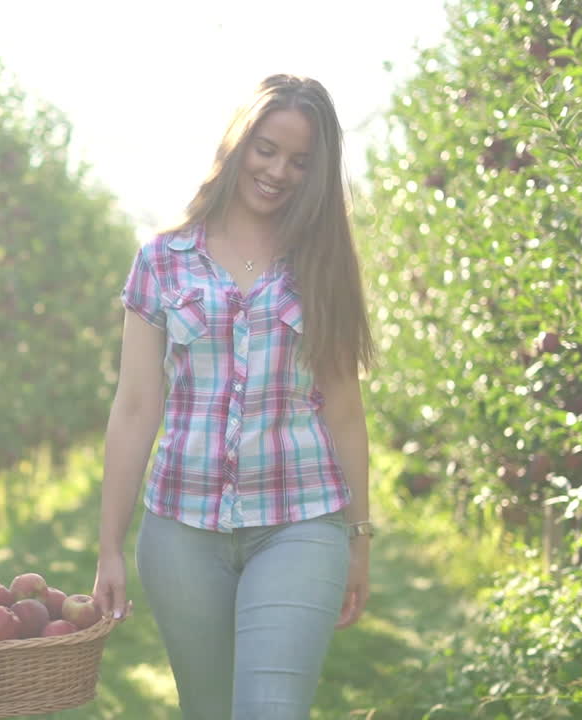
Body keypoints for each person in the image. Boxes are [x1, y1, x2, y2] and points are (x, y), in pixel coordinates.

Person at [92, 74, 376, 720]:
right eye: (267, 149)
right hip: (182, 532)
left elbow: (346, 411)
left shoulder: (322, 262)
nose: (279, 171)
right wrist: (109, 545)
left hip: (299, 522)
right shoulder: (163, 260)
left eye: (302, 162)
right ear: (239, 142)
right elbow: (135, 407)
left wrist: (359, 539)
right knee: (208, 710)